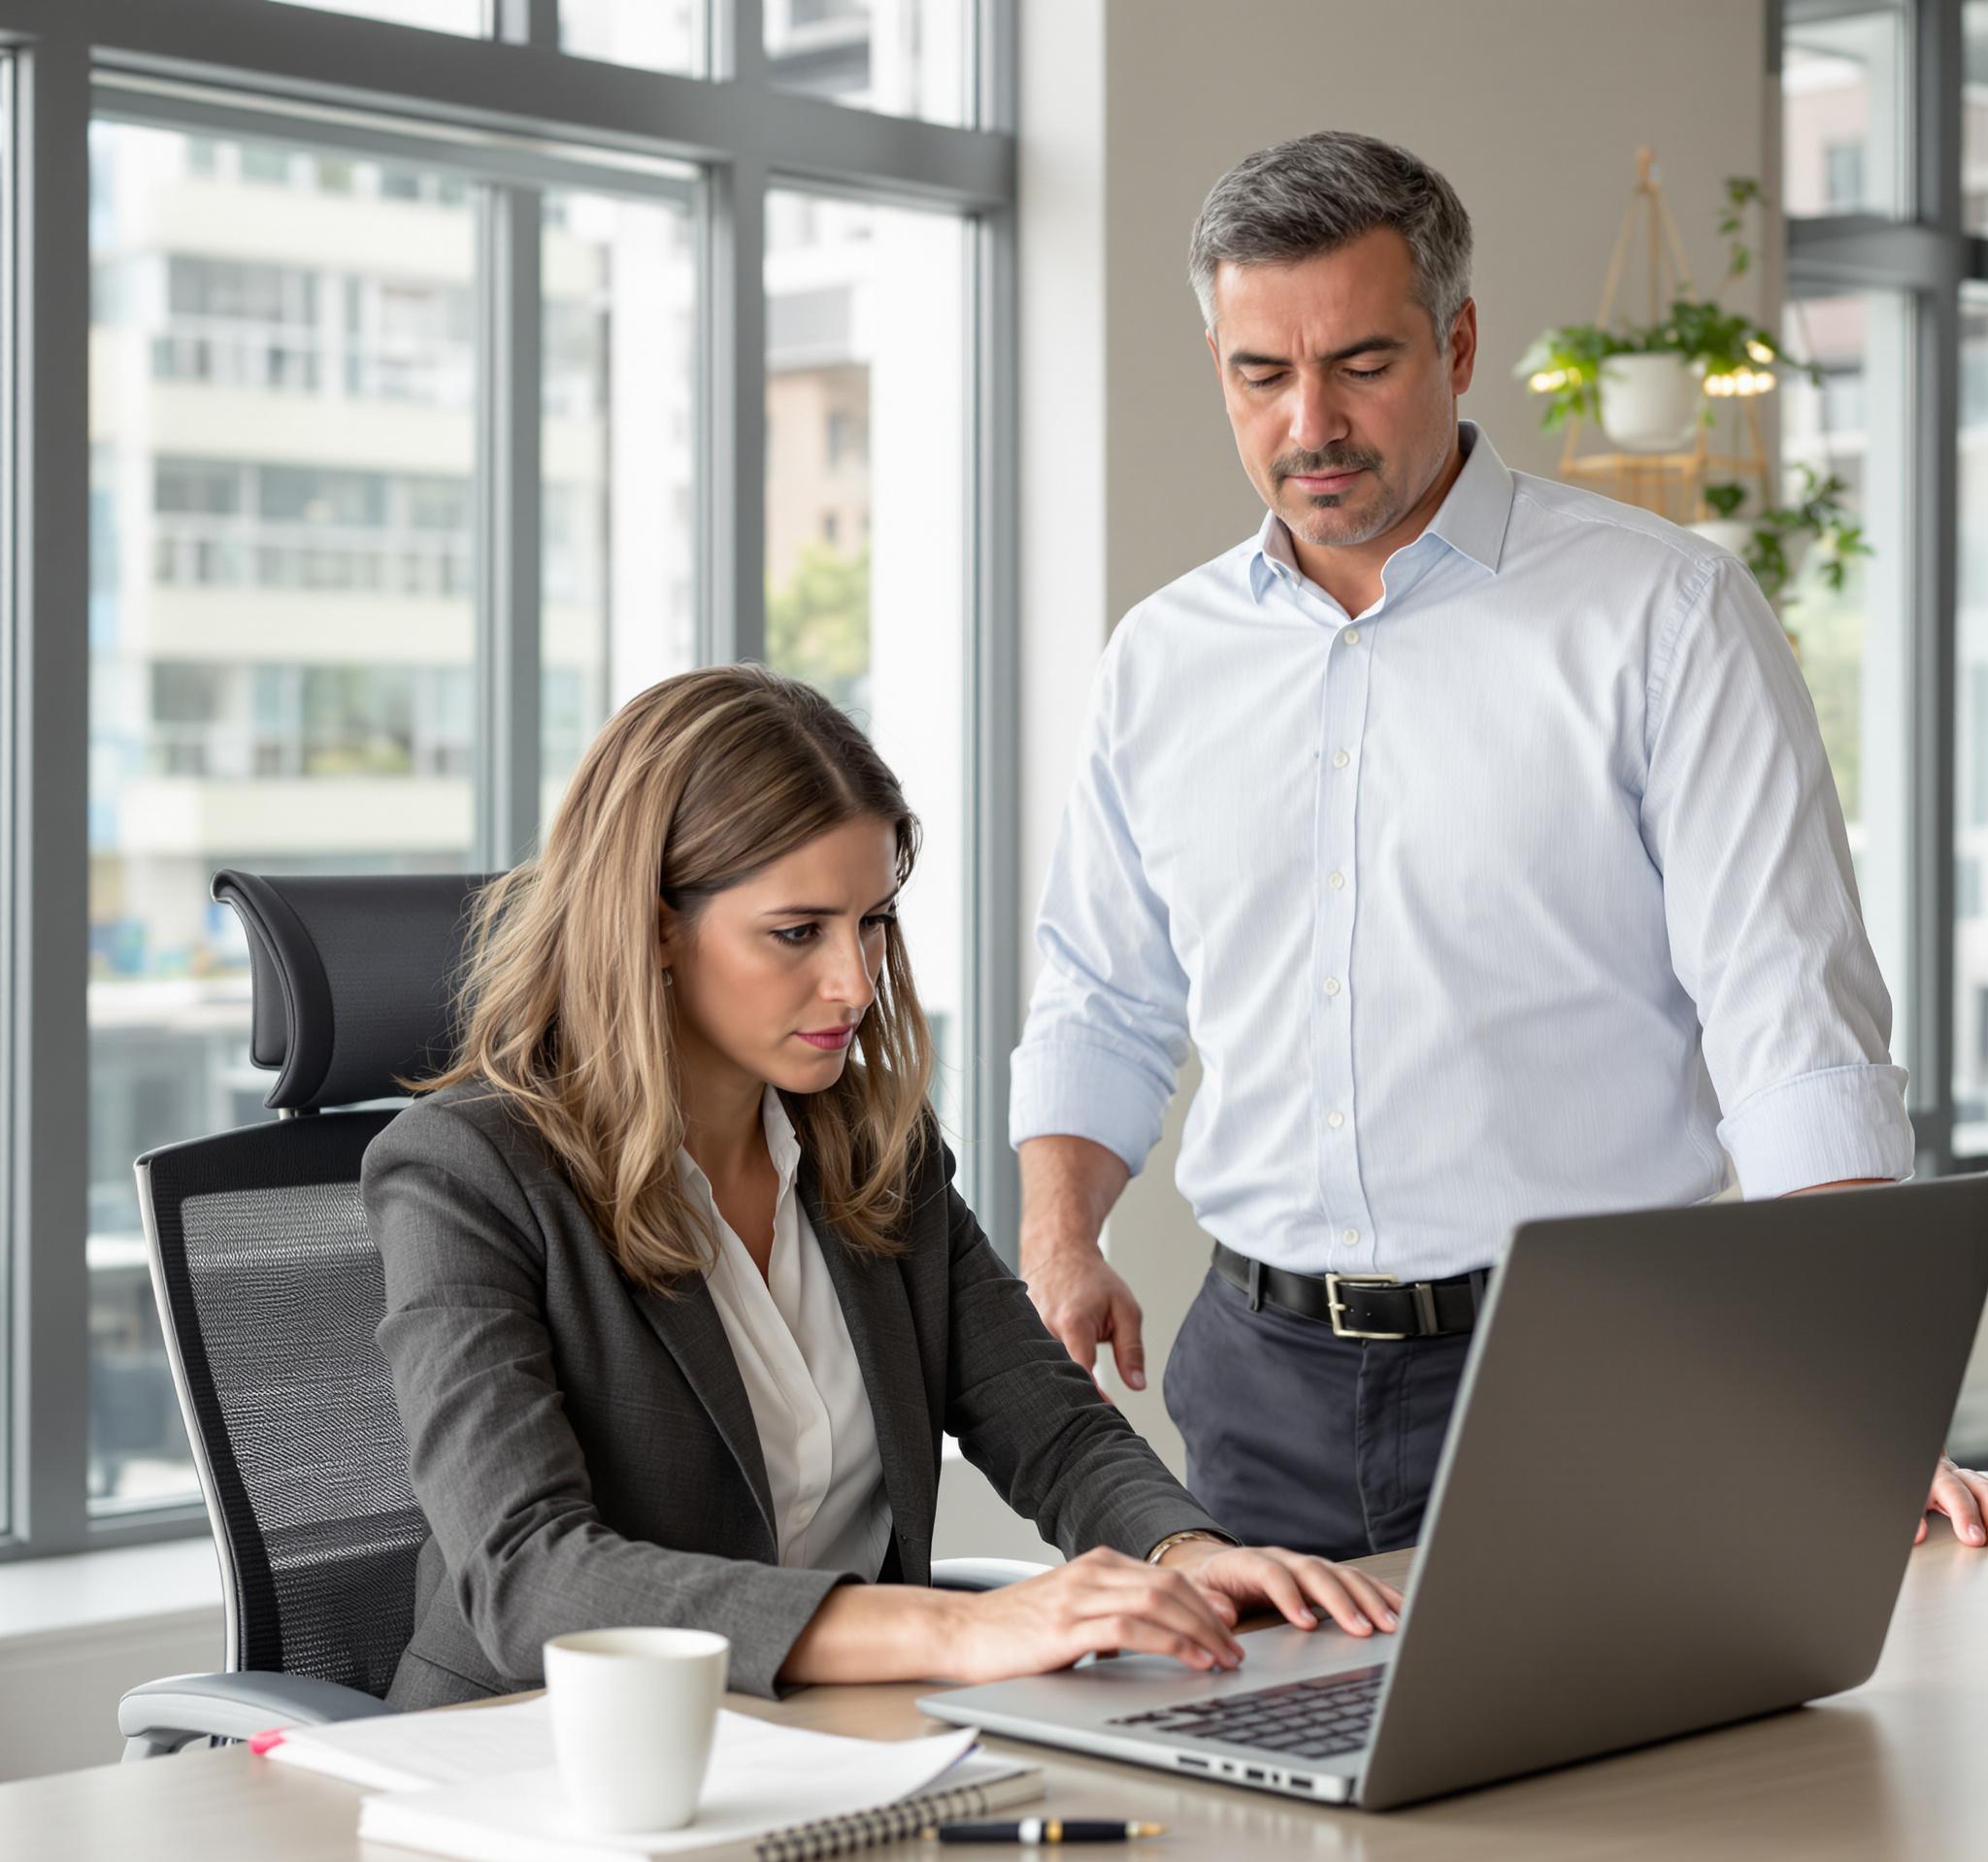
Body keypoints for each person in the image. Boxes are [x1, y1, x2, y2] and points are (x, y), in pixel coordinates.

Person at [1011, 128, 1988, 1559]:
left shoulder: (1663, 621)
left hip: (1584, 1372)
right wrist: (1060, 1236)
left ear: (1458, 345)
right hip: (1254, 1387)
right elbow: (1103, 991)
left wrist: (1854, 1400)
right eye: (1260, 374)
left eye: (1363, 363)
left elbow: (1791, 1028)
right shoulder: (1161, 659)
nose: (1310, 426)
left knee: (1612, 1783)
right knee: (1255, 1781)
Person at [361, 665, 1404, 1709]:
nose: (854, 982)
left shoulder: (871, 1149)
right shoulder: (467, 1175)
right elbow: (528, 1573)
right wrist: (958, 1624)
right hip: (539, 1757)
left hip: (828, 1744)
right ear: (655, 925)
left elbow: (1047, 1423)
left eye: (874, 921)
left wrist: (1177, 1548)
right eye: (797, 930)